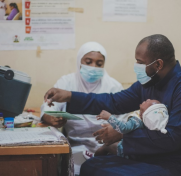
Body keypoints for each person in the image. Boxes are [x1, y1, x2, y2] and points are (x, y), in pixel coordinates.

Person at [44, 34, 181, 176]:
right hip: (161, 155)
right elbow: (113, 101)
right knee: (93, 166)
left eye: (140, 62)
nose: (136, 66)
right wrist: (70, 96)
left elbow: (171, 139)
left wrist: (121, 135)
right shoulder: (149, 83)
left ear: (158, 64)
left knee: (101, 171)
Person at [41, 42, 129, 175]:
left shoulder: (113, 87)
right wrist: (50, 117)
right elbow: (48, 106)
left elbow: (124, 120)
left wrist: (115, 129)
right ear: (79, 62)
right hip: (76, 146)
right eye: (88, 62)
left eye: (99, 64)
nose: (93, 67)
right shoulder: (66, 83)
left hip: (107, 147)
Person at [95, 99, 169, 158]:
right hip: (138, 151)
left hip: (127, 151)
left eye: (148, 101)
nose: (148, 99)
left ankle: (94, 158)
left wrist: (109, 117)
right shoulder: (152, 124)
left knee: (106, 146)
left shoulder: (136, 121)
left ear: (143, 114)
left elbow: (123, 128)